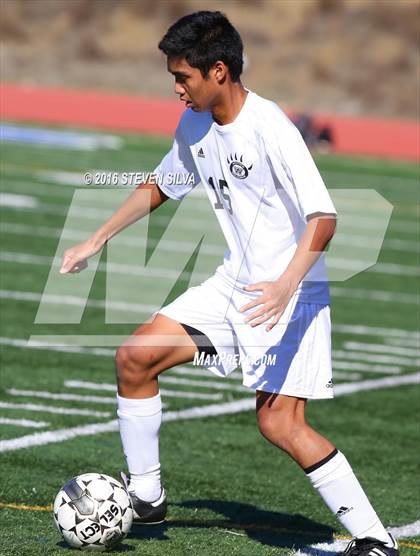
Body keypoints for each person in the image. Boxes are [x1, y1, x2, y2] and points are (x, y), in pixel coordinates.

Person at [60, 11, 399, 556]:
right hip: (232, 286)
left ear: (218, 71)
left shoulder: (271, 128)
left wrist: (288, 284)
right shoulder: (194, 123)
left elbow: (324, 218)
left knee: (279, 423)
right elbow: (163, 184)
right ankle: (147, 498)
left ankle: (375, 539)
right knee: (135, 359)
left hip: (289, 295)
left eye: (183, 77)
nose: (177, 88)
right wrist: (97, 238)